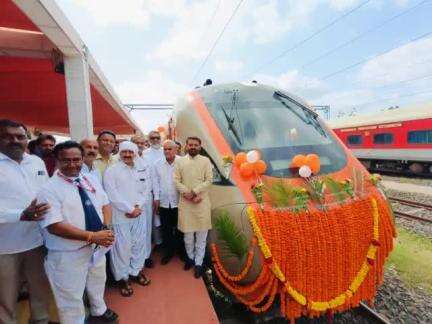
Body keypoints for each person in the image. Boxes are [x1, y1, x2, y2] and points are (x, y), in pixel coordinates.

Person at [37, 141, 118, 324]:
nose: (72, 164)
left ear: (83, 159)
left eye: (76, 159)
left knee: (97, 280)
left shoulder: (89, 178)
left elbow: (105, 204)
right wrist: (92, 236)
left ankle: (99, 310)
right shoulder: (48, 189)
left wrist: (107, 228)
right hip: (68, 253)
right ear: (56, 161)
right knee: (70, 297)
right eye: (66, 160)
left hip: (97, 246)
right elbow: (54, 225)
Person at [0, 119, 51, 324]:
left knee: (40, 291)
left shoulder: (36, 162)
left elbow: (47, 193)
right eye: (7, 136)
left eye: (20, 136)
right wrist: (20, 215)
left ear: (27, 139)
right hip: (5, 247)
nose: (15, 140)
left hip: (37, 241)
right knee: (6, 298)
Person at [103, 141, 153, 297]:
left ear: (135, 153)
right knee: (122, 249)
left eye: (130, 152)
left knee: (139, 244)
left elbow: (147, 189)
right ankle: (123, 278)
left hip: (139, 214)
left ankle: (135, 271)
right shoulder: (112, 171)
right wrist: (129, 209)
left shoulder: (141, 168)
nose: (127, 155)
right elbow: (111, 194)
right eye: (124, 152)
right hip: (121, 216)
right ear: (120, 152)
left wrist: (138, 207)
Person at [173, 136, 213, 278]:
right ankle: (190, 258)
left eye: (196, 145)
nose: (193, 147)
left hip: (201, 201)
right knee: (188, 236)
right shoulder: (179, 161)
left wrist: (195, 192)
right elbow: (176, 180)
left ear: (200, 147)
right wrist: (187, 194)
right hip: (186, 203)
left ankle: (198, 263)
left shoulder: (206, 161)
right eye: (191, 144)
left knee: (201, 237)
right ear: (186, 146)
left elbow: (209, 180)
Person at [154, 140, 184, 265]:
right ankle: (169, 252)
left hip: (180, 202)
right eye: (165, 149)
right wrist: (156, 198)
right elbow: (155, 182)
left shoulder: (183, 162)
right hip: (164, 202)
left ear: (176, 149)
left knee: (180, 228)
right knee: (166, 229)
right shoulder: (157, 164)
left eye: (169, 149)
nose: (166, 151)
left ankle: (181, 252)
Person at [142, 130, 164, 267]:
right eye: (152, 138)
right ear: (148, 140)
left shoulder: (165, 151)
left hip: (166, 192)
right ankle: (149, 249)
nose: (155, 140)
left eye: (157, 138)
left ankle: (161, 243)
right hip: (148, 193)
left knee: (162, 220)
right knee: (150, 221)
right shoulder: (144, 154)